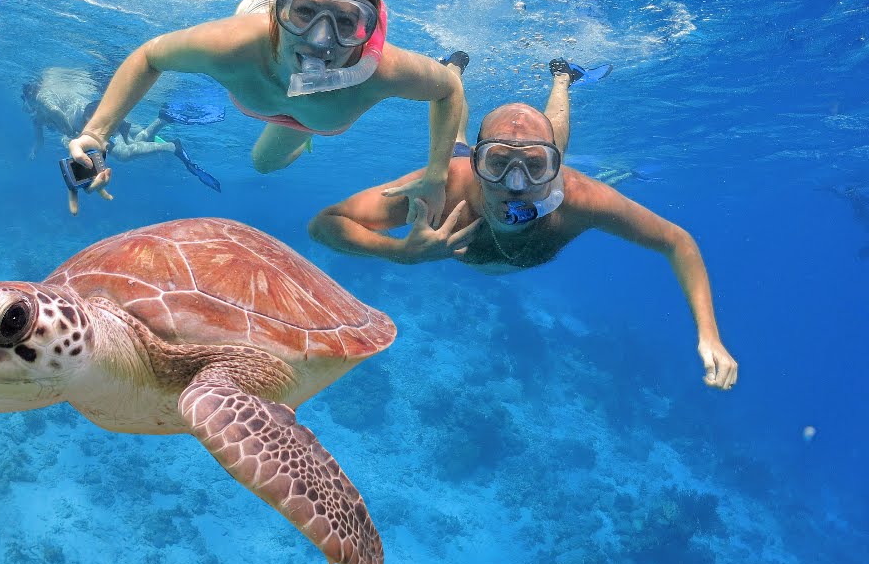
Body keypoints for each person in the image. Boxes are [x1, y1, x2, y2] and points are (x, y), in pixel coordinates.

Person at [308, 59, 739, 391]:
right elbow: (325, 223)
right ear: (478, 162)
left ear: (555, 169)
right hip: (462, 159)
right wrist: (399, 253)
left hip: (534, 165)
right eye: (497, 162)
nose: (516, 185)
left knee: (553, 135)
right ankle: (451, 76)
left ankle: (562, 79)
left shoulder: (581, 198)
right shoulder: (446, 185)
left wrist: (710, 335)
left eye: (535, 166)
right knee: (451, 144)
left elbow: (677, 242)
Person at [66, 0, 467, 222]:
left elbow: (449, 91)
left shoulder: (382, 71)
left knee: (263, 163)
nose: (320, 40)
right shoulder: (233, 45)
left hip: (310, 114)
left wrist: (436, 175)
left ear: (366, 26)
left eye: (346, 21)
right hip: (280, 66)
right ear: (279, 7)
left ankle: (386, 48)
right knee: (263, 163)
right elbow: (149, 55)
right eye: (304, 11)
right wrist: (96, 135)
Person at [23, 68, 220, 204]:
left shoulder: (42, 100)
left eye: (27, 101)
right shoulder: (37, 117)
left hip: (90, 118)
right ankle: (162, 120)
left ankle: (172, 146)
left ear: (31, 97)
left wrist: (72, 135)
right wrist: (33, 152)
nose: (28, 107)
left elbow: (56, 112)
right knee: (131, 143)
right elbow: (39, 139)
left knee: (125, 154)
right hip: (92, 116)